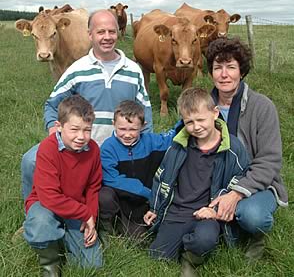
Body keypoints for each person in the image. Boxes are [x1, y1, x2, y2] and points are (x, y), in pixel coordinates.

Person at [21, 9, 152, 201]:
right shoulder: (77, 69)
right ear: (90, 34)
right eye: (100, 32)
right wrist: (52, 129)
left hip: (120, 148)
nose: (107, 37)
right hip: (81, 147)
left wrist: (144, 149)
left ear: (118, 33)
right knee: (30, 160)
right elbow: (51, 104)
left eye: (112, 31)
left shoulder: (133, 70)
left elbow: (145, 112)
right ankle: (35, 211)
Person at [144, 88, 250, 276]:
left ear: (215, 113)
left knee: (204, 239)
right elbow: (162, 177)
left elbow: (240, 179)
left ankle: (191, 256)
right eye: (189, 122)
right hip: (178, 210)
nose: (196, 127)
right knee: (157, 257)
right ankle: (179, 239)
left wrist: (214, 210)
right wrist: (154, 207)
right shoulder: (178, 145)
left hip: (206, 212)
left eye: (201, 120)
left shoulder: (232, 147)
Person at [206, 37, 288, 261]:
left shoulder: (262, 106)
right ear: (211, 72)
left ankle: (256, 234)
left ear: (241, 71)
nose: (224, 74)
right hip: (214, 180)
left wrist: (236, 193)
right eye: (217, 67)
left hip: (257, 183)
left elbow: (269, 161)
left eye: (231, 67)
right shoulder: (203, 106)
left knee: (251, 215)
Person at [23, 95, 103, 276]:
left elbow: (93, 186)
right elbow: (49, 197)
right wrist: (84, 213)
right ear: (59, 127)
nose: (81, 137)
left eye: (87, 130)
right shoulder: (47, 148)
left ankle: (61, 235)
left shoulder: (93, 150)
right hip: (45, 205)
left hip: (75, 206)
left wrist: (90, 216)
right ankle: (50, 265)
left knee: (92, 265)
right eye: (74, 129)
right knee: (42, 222)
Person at [99, 100, 181, 240]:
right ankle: (108, 228)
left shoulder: (151, 141)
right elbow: (112, 179)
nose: (127, 134)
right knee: (103, 196)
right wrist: (147, 193)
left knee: (144, 238)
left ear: (143, 126)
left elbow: (173, 135)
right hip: (122, 200)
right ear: (113, 124)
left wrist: (186, 119)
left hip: (144, 204)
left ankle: (139, 225)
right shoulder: (108, 148)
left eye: (133, 129)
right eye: (122, 129)